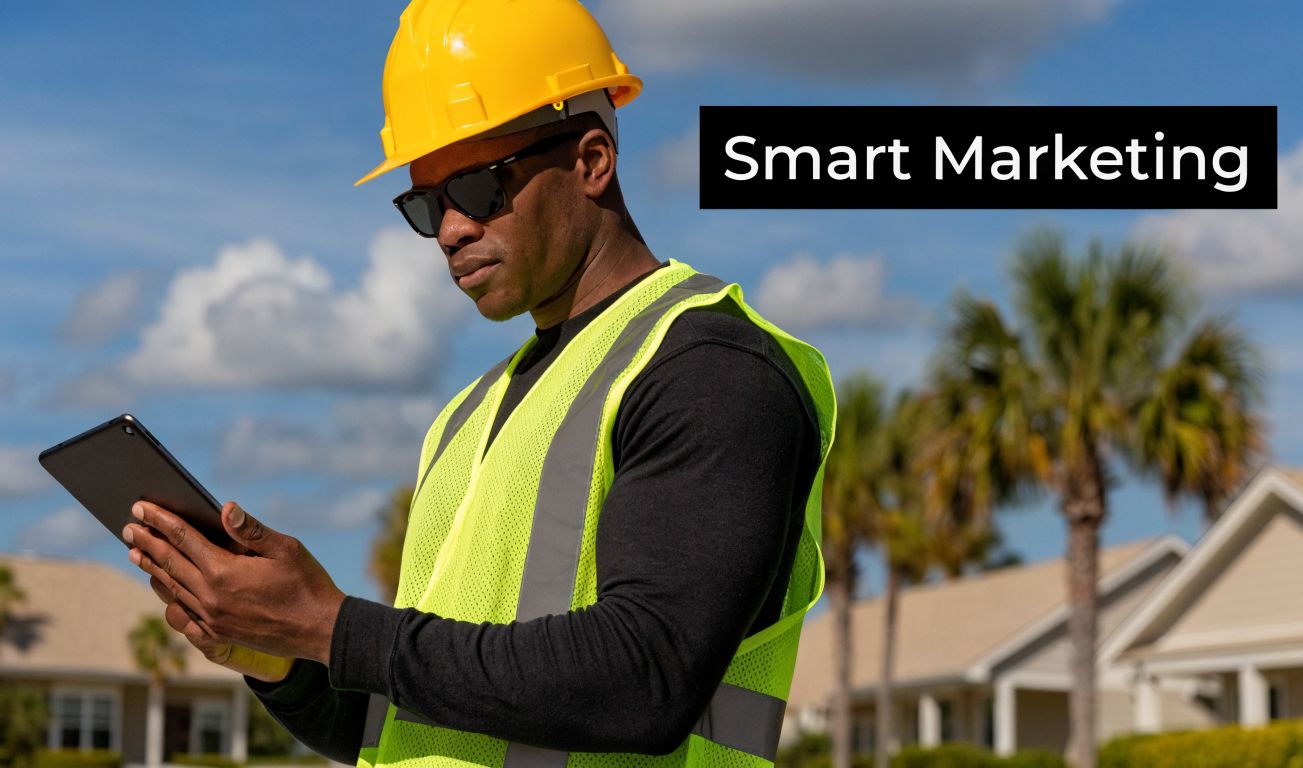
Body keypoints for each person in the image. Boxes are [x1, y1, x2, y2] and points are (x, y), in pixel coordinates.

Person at [120, 1, 836, 766]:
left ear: (593, 161)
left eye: (480, 187)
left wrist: (331, 627)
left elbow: (644, 680)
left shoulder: (709, 369)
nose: (453, 229)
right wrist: (287, 664)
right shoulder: (468, 419)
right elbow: (407, 723)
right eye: (428, 204)